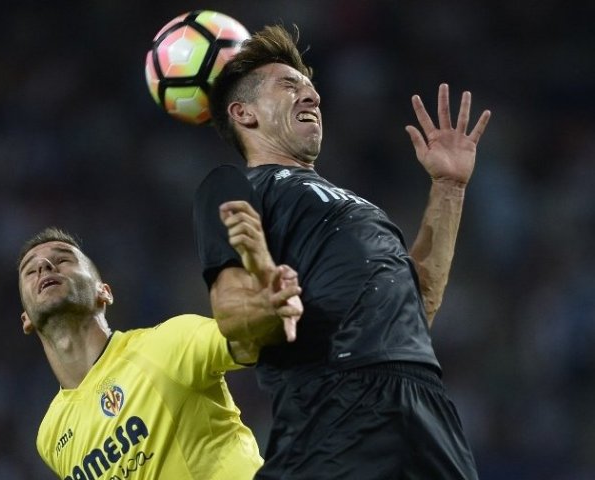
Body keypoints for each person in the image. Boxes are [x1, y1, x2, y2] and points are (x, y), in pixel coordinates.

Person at [192, 25, 491, 479]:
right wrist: (269, 305)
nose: (311, 97)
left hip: (425, 406)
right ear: (244, 113)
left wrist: (448, 187)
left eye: (312, 90)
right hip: (336, 402)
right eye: (289, 86)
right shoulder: (234, 186)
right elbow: (233, 314)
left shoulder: (359, 205)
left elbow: (420, 303)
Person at [16, 227, 302, 479]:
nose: (44, 266)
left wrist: (266, 310)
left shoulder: (166, 344)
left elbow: (243, 338)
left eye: (63, 259)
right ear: (26, 318)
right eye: (31, 270)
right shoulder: (50, 437)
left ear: (103, 292)